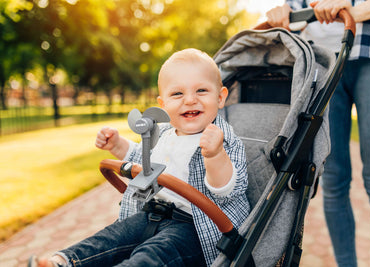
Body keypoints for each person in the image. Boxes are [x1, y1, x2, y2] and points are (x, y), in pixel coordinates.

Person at [28, 48, 250, 267]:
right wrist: (117, 145)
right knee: (112, 237)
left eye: (201, 90)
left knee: (152, 254)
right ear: (162, 105)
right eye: (177, 94)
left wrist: (215, 155)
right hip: (152, 213)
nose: (190, 100)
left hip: (195, 226)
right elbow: (141, 160)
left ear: (220, 98)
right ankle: (64, 262)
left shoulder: (222, 139)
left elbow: (227, 190)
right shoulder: (162, 133)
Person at [266, 1, 370, 266]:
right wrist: (284, 12)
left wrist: (360, 9)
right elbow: (296, 8)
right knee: (333, 181)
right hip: (322, 57)